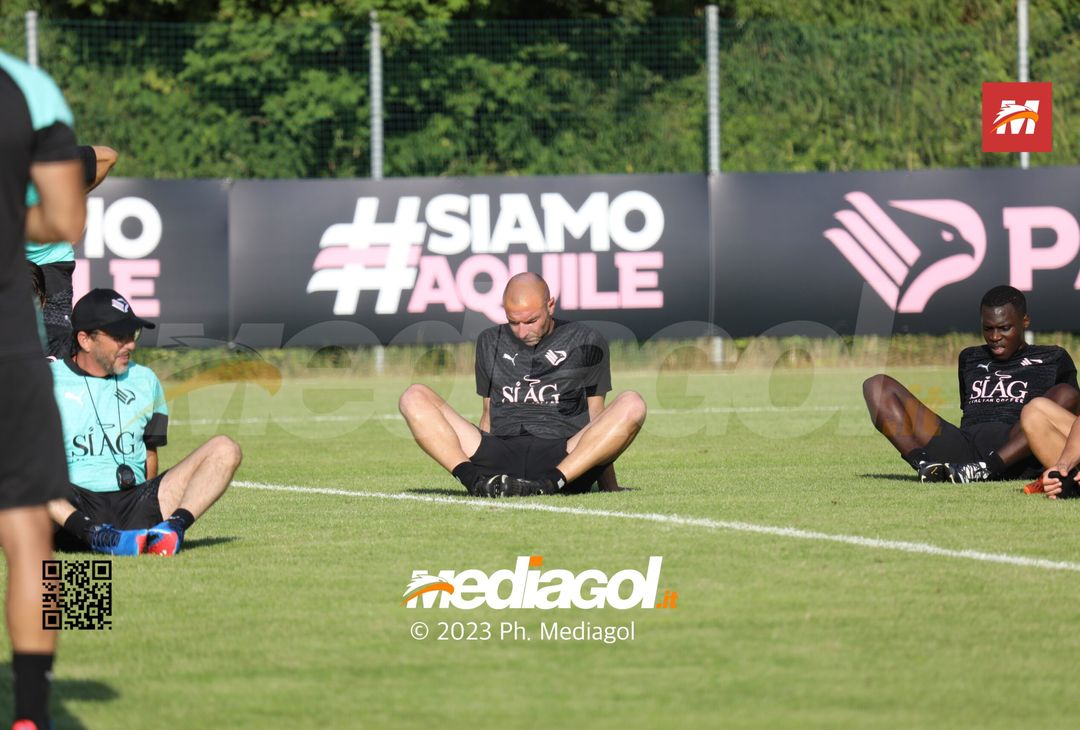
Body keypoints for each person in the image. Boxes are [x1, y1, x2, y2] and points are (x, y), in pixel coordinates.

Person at [1, 48, 87, 730]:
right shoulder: (27, 85)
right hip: (8, 344)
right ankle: (32, 712)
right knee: (30, 531)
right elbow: (64, 220)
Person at [399, 272, 647, 497]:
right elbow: (488, 414)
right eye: (513, 322)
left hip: (563, 456)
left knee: (633, 404)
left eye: (530, 321)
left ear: (550, 305)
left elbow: (597, 417)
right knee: (413, 396)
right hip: (500, 452)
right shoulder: (489, 341)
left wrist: (608, 486)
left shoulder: (587, 340)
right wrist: (483, 459)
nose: (521, 331)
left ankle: (548, 485)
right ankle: (475, 483)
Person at [48, 288, 242, 557]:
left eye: (133, 334)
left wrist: (148, 505)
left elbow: (150, 454)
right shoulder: (45, 380)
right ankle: (96, 535)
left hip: (134, 504)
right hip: (70, 512)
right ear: (85, 340)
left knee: (225, 449)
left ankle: (170, 531)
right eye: (119, 337)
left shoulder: (146, 379)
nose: (131, 345)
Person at [863, 285, 1079, 483]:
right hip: (964, 447)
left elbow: (1070, 421)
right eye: (988, 328)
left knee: (1066, 393)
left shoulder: (1054, 357)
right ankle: (924, 465)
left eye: (1004, 328)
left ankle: (987, 468)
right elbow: (968, 409)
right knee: (876, 385)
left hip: (1016, 451)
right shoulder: (970, 357)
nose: (995, 337)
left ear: (1025, 321)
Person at [26, 144, 118, 360]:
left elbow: (107, 157)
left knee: (53, 362)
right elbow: (107, 157)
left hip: (49, 272)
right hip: (48, 269)